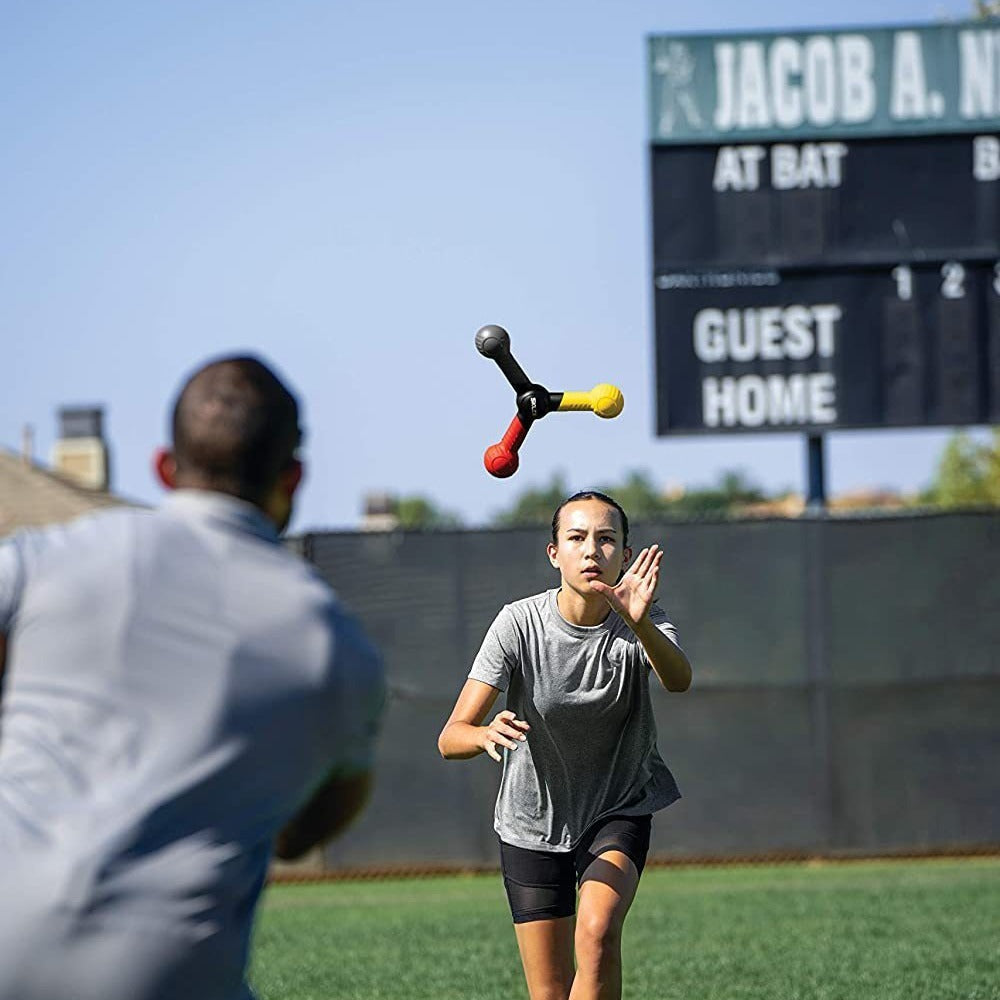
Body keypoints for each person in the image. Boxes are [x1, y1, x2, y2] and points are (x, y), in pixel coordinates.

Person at [0, 355, 384, 1000]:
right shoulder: (335, 646)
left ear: (163, 467)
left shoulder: (42, 559)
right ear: (293, 478)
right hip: (163, 974)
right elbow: (305, 829)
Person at [438, 490, 691, 1000]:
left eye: (606, 539)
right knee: (549, 992)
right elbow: (451, 737)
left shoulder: (640, 619)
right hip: (531, 819)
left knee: (597, 933)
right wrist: (486, 733)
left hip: (617, 805)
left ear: (625, 552)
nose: (591, 550)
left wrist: (640, 622)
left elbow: (679, 679)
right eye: (576, 538)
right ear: (554, 553)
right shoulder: (518, 624)